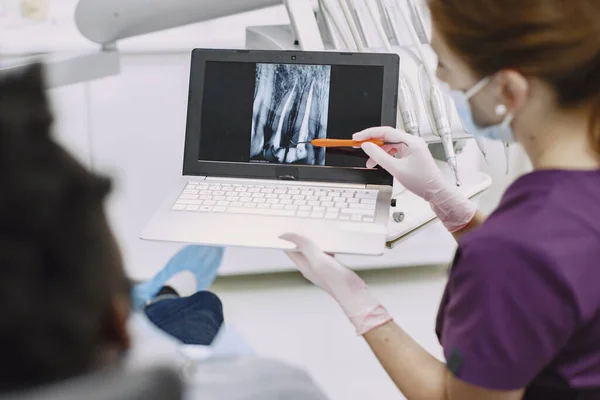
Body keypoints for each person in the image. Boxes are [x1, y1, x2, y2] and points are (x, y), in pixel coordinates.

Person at [281, 0, 600, 398]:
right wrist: (448, 204)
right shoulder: (551, 221)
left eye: (445, 67)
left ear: (508, 90)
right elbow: (560, 269)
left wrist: (356, 300)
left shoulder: (512, 251)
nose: (440, 78)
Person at [0, 64, 328, 399]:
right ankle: (162, 294)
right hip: (185, 350)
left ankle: (162, 295)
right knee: (200, 307)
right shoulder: (278, 388)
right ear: (118, 326)